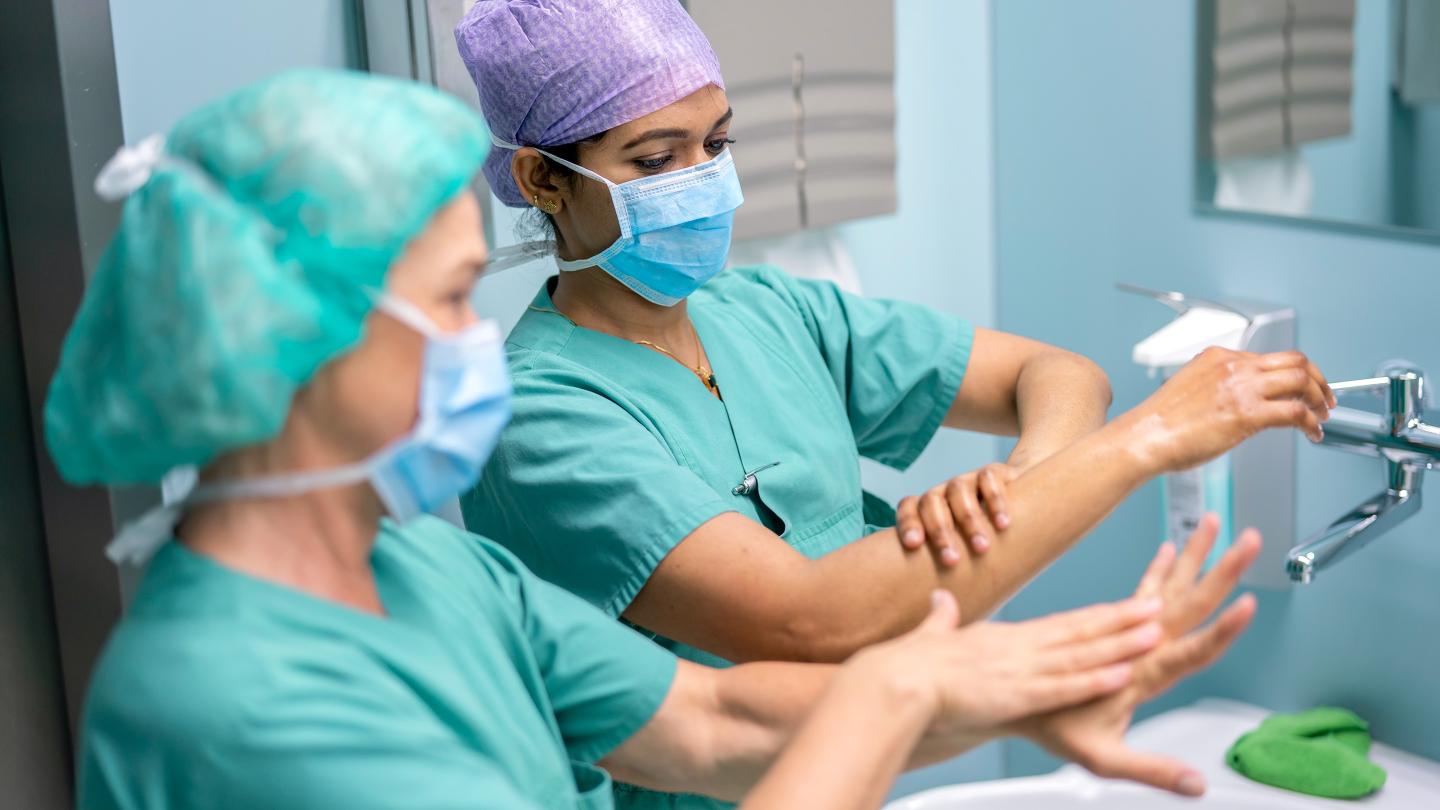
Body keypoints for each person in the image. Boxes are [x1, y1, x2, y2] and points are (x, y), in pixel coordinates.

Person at [54, 69, 1256, 810]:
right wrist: (909, 685)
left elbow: (712, 724)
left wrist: (1009, 695)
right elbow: (809, 641)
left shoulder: (426, 569)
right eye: (459, 298)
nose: (489, 341)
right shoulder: (232, 703)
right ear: (308, 337)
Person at [456, 3, 1329, 666]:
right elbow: (807, 617)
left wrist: (1013, 486)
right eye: (655, 159)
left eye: (716, 143)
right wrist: (1155, 435)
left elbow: (1059, 374)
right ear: (543, 179)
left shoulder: (770, 312)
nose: (704, 181)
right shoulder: (537, 415)